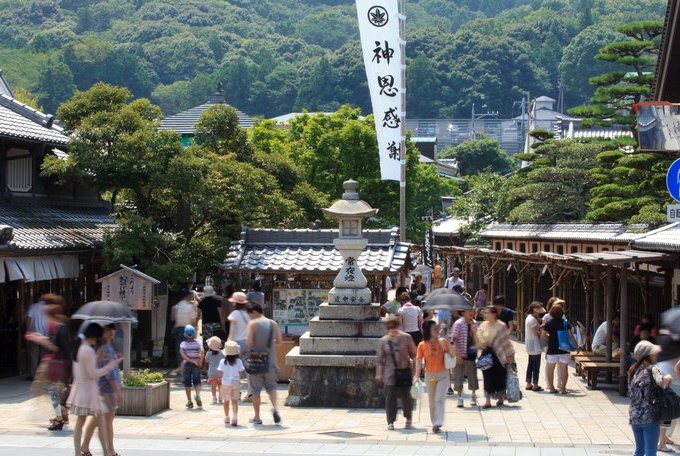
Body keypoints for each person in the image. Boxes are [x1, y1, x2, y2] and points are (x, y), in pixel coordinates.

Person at [67, 322, 122, 456]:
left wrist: (98, 359)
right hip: (90, 393)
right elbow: (93, 374)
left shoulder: (79, 348)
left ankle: (79, 452)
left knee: (80, 425)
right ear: (94, 336)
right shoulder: (88, 350)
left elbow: (84, 370)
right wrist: (110, 366)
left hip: (80, 393)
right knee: (100, 424)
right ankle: (106, 452)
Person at [25, 299, 72, 431]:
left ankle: (59, 418)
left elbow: (56, 347)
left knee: (53, 392)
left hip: (57, 364)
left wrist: (41, 340)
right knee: (54, 392)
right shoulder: (58, 327)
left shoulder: (60, 328)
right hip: (59, 364)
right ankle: (61, 416)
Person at [628, 340, 672, 456]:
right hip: (650, 417)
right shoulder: (653, 369)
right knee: (651, 452)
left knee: (639, 451)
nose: (656, 355)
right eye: (654, 353)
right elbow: (662, 383)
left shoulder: (632, 370)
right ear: (649, 355)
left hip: (634, 416)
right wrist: (668, 377)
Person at [375, 316, 417, 430]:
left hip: (404, 371)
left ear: (398, 326)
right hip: (390, 373)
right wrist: (379, 373)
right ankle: (390, 421)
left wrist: (415, 372)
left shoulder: (406, 338)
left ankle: (408, 419)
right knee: (390, 397)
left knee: (406, 397)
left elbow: (414, 355)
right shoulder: (384, 340)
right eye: (389, 327)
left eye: (394, 327)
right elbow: (380, 359)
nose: (392, 329)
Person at [245, 302, 283, 425]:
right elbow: (279, 341)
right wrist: (269, 345)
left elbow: (249, 343)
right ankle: (275, 409)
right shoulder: (273, 323)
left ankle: (257, 417)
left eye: (250, 315)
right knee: (272, 387)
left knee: (256, 390)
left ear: (254, 312)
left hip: (256, 362)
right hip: (271, 362)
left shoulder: (252, 324)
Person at [414, 320, 452, 434]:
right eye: (434, 329)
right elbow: (418, 361)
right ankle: (434, 422)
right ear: (428, 331)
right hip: (430, 376)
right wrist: (416, 376)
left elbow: (452, 354)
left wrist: (450, 343)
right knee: (431, 400)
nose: (437, 331)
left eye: (437, 328)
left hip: (443, 375)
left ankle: (438, 421)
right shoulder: (422, 345)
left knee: (439, 398)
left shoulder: (443, 341)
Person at [475, 306, 515, 408]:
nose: (485, 315)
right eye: (484, 313)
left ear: (494, 314)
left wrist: (510, 355)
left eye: (487, 313)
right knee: (487, 376)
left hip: (499, 355)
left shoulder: (501, 325)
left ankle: (501, 397)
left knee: (500, 376)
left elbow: (506, 342)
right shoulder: (482, 325)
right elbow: (479, 339)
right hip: (487, 353)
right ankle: (487, 400)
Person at [450, 307, 479, 408]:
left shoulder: (475, 323)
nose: (471, 313)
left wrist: (474, 332)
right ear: (463, 312)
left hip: (471, 353)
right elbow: (454, 340)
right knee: (458, 376)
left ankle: (473, 395)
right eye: (469, 311)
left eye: (472, 311)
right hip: (460, 353)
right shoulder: (458, 324)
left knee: (472, 375)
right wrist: (457, 354)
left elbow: (477, 340)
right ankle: (460, 398)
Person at [543, 304, 574, 394]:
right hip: (564, 349)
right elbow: (570, 336)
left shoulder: (549, 323)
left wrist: (550, 338)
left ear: (551, 313)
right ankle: (563, 388)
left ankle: (551, 387)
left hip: (552, 348)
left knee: (550, 368)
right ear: (562, 313)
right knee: (564, 369)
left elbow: (543, 335)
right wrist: (576, 346)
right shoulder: (565, 323)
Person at [218, 341, 245, 427]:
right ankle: (235, 417)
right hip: (235, 382)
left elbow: (220, 372)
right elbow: (242, 373)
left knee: (226, 401)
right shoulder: (238, 361)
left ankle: (227, 417)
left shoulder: (222, 361)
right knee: (234, 401)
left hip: (225, 383)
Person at [180, 324, 204, 408]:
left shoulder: (183, 344)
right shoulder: (198, 343)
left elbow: (183, 355)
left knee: (187, 383)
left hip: (187, 364)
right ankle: (197, 395)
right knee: (197, 381)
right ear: (194, 334)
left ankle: (189, 401)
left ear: (185, 334)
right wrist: (200, 360)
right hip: (196, 364)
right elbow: (202, 351)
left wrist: (191, 360)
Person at [171, 290, 198, 366]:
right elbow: (193, 320)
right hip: (188, 329)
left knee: (179, 348)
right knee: (189, 348)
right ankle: (188, 365)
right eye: (190, 295)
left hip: (178, 329)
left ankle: (180, 365)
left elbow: (173, 318)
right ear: (187, 296)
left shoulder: (176, 306)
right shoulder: (190, 306)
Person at [525, 302, 546, 392]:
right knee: (536, 366)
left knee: (530, 364)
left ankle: (529, 383)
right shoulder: (532, 320)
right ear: (534, 310)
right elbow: (535, 332)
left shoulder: (529, 318)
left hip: (530, 344)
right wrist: (542, 332)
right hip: (535, 345)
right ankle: (535, 384)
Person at [25, 295, 48, 380]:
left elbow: (29, 319)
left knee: (34, 355)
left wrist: (28, 331)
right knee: (43, 356)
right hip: (45, 334)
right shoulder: (47, 308)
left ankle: (33, 375)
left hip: (34, 334)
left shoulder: (33, 307)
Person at [205, 336, 223, 404]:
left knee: (213, 386)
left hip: (212, 372)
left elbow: (206, 361)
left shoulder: (208, 353)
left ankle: (214, 398)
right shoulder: (222, 353)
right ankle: (220, 397)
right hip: (220, 372)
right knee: (220, 386)